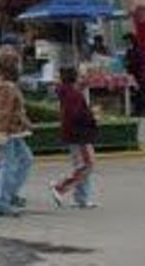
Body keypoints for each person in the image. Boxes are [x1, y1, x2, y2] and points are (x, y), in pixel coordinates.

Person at [0, 47, 33, 217]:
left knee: (24, 160)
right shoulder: (5, 87)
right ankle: (2, 200)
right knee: (10, 165)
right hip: (7, 131)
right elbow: (2, 112)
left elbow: (13, 111)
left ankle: (6, 196)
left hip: (12, 130)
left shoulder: (5, 85)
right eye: (16, 63)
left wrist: (25, 122)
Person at [50, 66, 98, 209]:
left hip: (73, 133)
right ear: (74, 78)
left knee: (82, 165)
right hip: (80, 134)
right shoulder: (73, 95)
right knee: (87, 165)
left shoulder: (67, 91)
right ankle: (61, 187)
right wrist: (91, 116)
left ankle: (81, 198)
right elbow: (76, 115)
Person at [122, 34, 145, 117]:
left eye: (126, 41)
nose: (125, 43)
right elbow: (128, 60)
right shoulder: (129, 50)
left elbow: (141, 63)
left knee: (141, 93)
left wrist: (130, 63)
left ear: (131, 40)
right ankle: (139, 111)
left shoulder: (138, 50)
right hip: (133, 74)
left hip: (140, 74)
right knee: (137, 93)